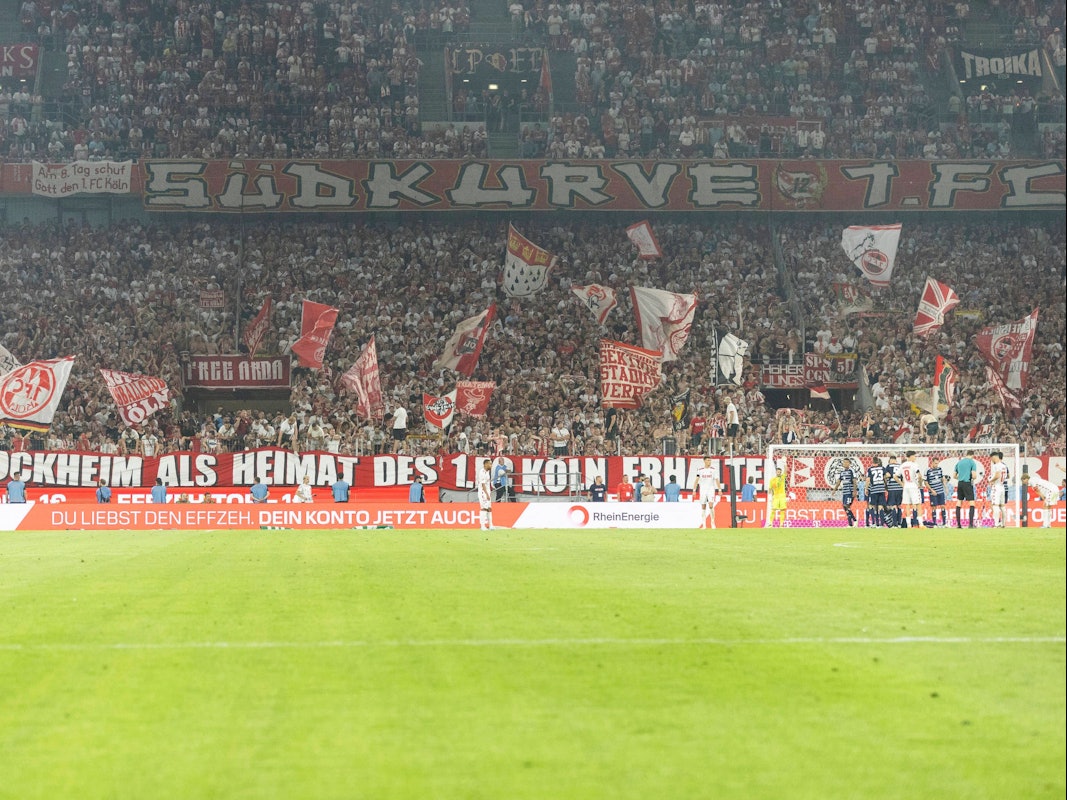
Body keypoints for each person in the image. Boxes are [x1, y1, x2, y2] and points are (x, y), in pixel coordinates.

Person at [954, 449, 979, 528]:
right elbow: (974, 476)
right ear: (972, 455)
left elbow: (954, 476)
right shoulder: (972, 462)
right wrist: (971, 477)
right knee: (971, 503)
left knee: (959, 502)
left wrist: (961, 476)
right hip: (967, 483)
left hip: (960, 483)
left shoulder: (959, 462)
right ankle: (970, 524)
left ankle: (958, 524)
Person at [695, 455, 720, 529]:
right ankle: (704, 524)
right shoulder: (700, 470)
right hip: (702, 490)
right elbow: (696, 480)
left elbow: (717, 480)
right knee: (703, 507)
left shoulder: (713, 470)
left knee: (711, 506)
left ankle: (712, 523)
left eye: (710, 460)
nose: (709, 462)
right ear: (704, 461)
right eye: (708, 460)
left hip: (711, 490)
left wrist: (719, 489)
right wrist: (694, 490)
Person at [899, 451, 923, 528]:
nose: (915, 457)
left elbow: (895, 476)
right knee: (918, 504)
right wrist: (919, 484)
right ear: (911, 456)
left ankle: (909, 525)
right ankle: (921, 524)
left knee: (907, 505)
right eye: (914, 456)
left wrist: (902, 484)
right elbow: (919, 476)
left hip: (906, 486)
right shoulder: (914, 465)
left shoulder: (903, 465)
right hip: (913, 486)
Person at [833, 458, 858, 526]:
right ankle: (853, 522)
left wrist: (854, 491)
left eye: (847, 462)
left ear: (849, 463)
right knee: (845, 507)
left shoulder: (851, 471)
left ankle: (853, 523)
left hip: (850, 491)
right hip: (845, 492)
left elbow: (854, 481)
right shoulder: (842, 472)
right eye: (844, 462)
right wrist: (835, 489)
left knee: (846, 506)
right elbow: (839, 481)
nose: (845, 464)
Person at [924, 457, 948, 527]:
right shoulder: (927, 470)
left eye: (937, 463)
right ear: (932, 463)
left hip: (940, 490)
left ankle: (944, 523)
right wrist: (931, 490)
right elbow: (925, 482)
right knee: (934, 507)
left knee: (943, 506)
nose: (936, 465)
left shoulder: (940, 469)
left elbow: (942, 479)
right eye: (935, 463)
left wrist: (945, 487)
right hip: (933, 492)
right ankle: (934, 523)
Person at [988, 451, 1008, 527]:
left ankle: (996, 524)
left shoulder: (996, 466)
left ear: (994, 457)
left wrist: (990, 480)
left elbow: (997, 475)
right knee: (1002, 506)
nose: (991, 461)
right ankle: (1003, 524)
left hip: (996, 487)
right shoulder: (1004, 466)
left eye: (991, 459)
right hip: (1002, 486)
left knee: (995, 505)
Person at [866, 457, 888, 527]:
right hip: (881, 489)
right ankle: (882, 524)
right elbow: (887, 475)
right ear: (878, 462)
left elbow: (868, 480)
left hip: (874, 490)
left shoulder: (870, 469)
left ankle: (875, 523)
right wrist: (883, 480)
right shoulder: (882, 468)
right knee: (880, 506)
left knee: (873, 506)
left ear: (872, 462)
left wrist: (866, 488)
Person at [477, 458, 493, 529]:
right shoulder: (482, 472)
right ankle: (482, 526)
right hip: (483, 492)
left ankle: (490, 525)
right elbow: (483, 485)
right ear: (486, 464)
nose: (491, 465)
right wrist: (486, 494)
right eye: (490, 464)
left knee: (489, 508)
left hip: (487, 492)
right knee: (483, 508)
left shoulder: (487, 472)